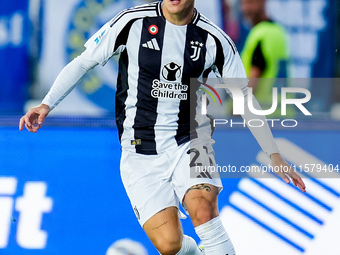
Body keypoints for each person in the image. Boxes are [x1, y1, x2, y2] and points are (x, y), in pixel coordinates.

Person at [19, 1, 306, 254]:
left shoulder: (215, 41)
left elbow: (244, 99)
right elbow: (83, 63)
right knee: (169, 245)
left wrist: (274, 154)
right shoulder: (131, 23)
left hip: (193, 139)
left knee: (203, 210)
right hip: (139, 149)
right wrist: (46, 104)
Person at [240, 0, 289, 111]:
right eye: (242, 4)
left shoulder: (260, 34)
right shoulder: (278, 31)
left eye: (249, 3)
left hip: (261, 114)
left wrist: (238, 109)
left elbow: (255, 75)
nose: (244, 9)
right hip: (283, 112)